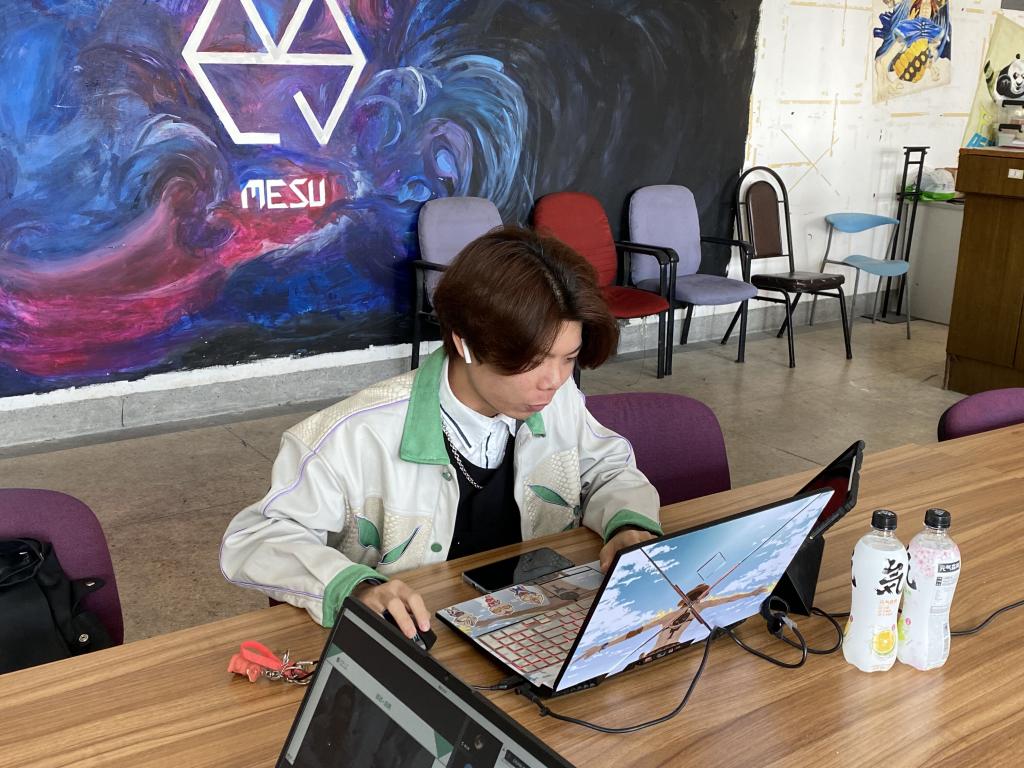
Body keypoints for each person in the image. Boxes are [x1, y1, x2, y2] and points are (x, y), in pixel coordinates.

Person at [220, 226, 662, 637]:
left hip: (531, 625)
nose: (553, 381)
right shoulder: (352, 436)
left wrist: (626, 524)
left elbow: (607, 468)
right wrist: (356, 586)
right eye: (531, 361)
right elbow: (257, 539)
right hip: (415, 643)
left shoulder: (559, 401)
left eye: (568, 358)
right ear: (465, 342)